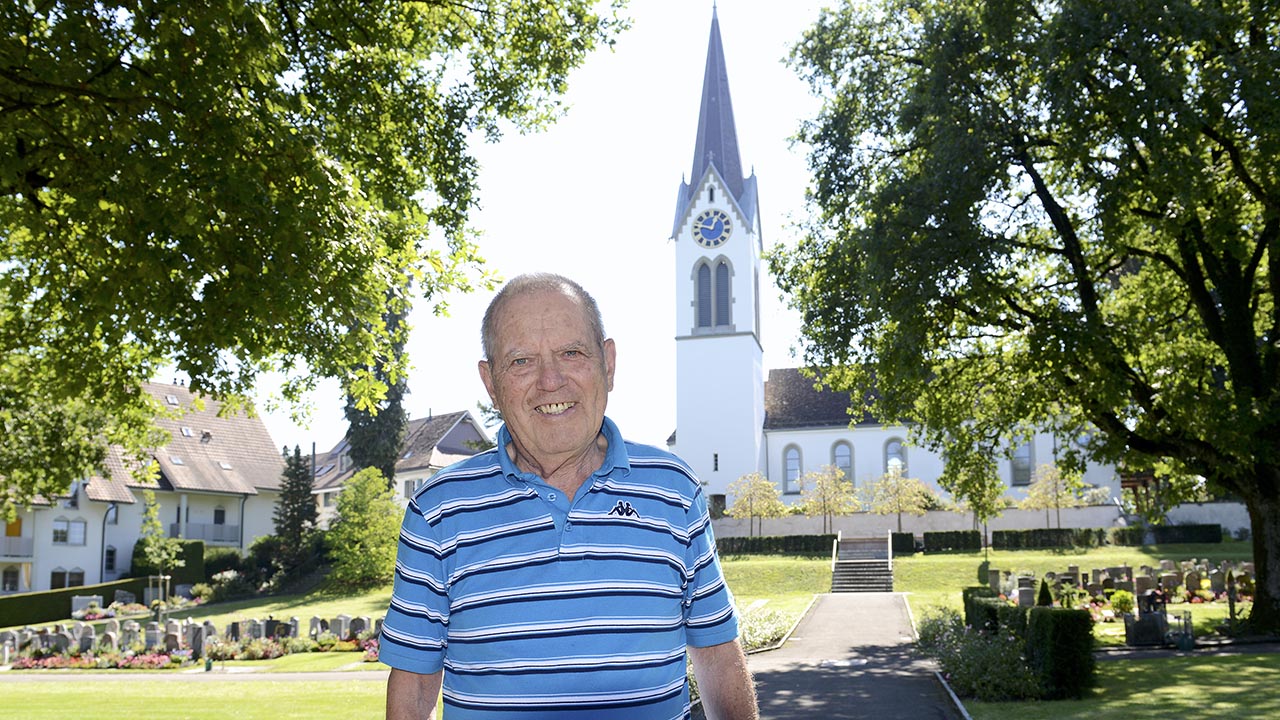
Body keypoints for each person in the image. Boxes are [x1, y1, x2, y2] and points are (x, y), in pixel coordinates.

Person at [381, 273, 758, 719]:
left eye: (572, 353)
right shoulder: (438, 510)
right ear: (491, 383)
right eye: (521, 361)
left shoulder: (673, 491)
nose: (551, 381)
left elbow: (716, 655)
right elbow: (415, 686)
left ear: (608, 363)